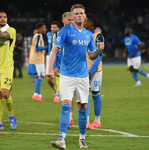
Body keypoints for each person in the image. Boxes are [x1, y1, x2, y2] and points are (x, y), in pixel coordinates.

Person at [47, 4, 104, 149]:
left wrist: (99, 50)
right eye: (77, 13)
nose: (79, 15)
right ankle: (61, 139)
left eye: (81, 13)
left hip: (83, 76)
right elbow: (54, 51)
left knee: (83, 106)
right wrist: (50, 68)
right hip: (67, 76)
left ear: (85, 16)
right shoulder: (65, 31)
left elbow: (91, 54)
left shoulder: (87, 34)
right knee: (66, 106)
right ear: (73, 16)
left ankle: (82, 139)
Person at [52, 12, 75, 128]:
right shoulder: (58, 34)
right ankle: (68, 118)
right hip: (61, 68)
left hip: (74, 70)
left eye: (72, 19)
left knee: (71, 96)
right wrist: (54, 66)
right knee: (65, 96)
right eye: (69, 20)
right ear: (63, 21)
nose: (71, 22)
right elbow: (54, 51)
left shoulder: (77, 32)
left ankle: (69, 118)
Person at [83, 14, 104, 129]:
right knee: (85, 96)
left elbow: (99, 56)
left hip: (95, 71)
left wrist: (91, 71)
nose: (83, 21)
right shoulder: (84, 34)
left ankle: (97, 121)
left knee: (95, 95)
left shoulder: (98, 36)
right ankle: (86, 121)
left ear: (90, 23)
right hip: (84, 70)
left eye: (85, 20)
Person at [27, 22, 48, 102]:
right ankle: (35, 94)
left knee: (37, 77)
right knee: (42, 76)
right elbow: (37, 48)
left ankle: (39, 95)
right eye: (44, 28)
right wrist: (47, 47)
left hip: (34, 59)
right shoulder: (39, 36)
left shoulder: (36, 36)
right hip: (38, 60)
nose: (45, 29)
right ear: (40, 29)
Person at [46, 21, 61, 103]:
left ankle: (58, 95)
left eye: (54, 27)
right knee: (48, 78)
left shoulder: (59, 35)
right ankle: (55, 90)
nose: (53, 29)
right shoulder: (48, 35)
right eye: (52, 27)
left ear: (58, 28)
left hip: (57, 57)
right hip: (49, 57)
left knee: (58, 77)